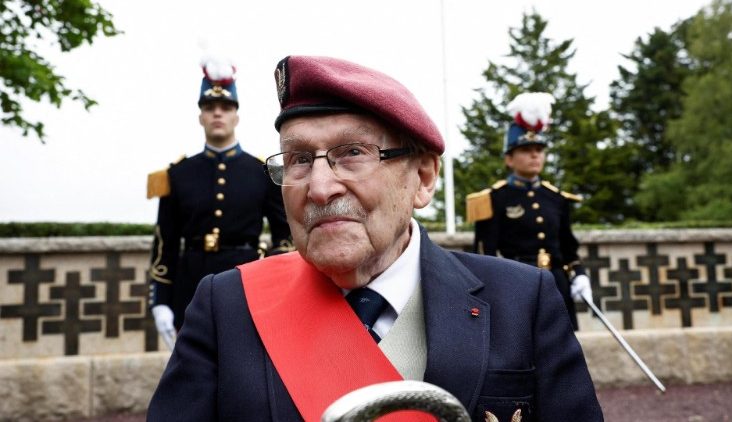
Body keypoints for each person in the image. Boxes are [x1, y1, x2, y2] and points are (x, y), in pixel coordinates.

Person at [147, 56, 603, 421]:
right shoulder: (225, 308)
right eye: (299, 159)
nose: (320, 187)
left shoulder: (524, 301)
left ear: (423, 178)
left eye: (353, 153)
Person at [146, 57, 293, 336]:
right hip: (189, 289)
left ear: (236, 116)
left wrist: (271, 278)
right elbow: (164, 243)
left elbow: (285, 237)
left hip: (248, 285)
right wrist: (160, 301)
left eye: (225, 108)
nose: (217, 114)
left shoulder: (262, 172)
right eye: (210, 108)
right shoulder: (176, 175)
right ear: (200, 116)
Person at [466, 92, 593, 331]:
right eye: (526, 150)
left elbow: (568, 247)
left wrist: (580, 274)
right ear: (509, 159)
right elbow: (485, 256)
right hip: (516, 287)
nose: (535, 155)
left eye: (539, 149)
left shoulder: (556, 198)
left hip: (556, 286)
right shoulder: (493, 199)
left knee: (563, 358)